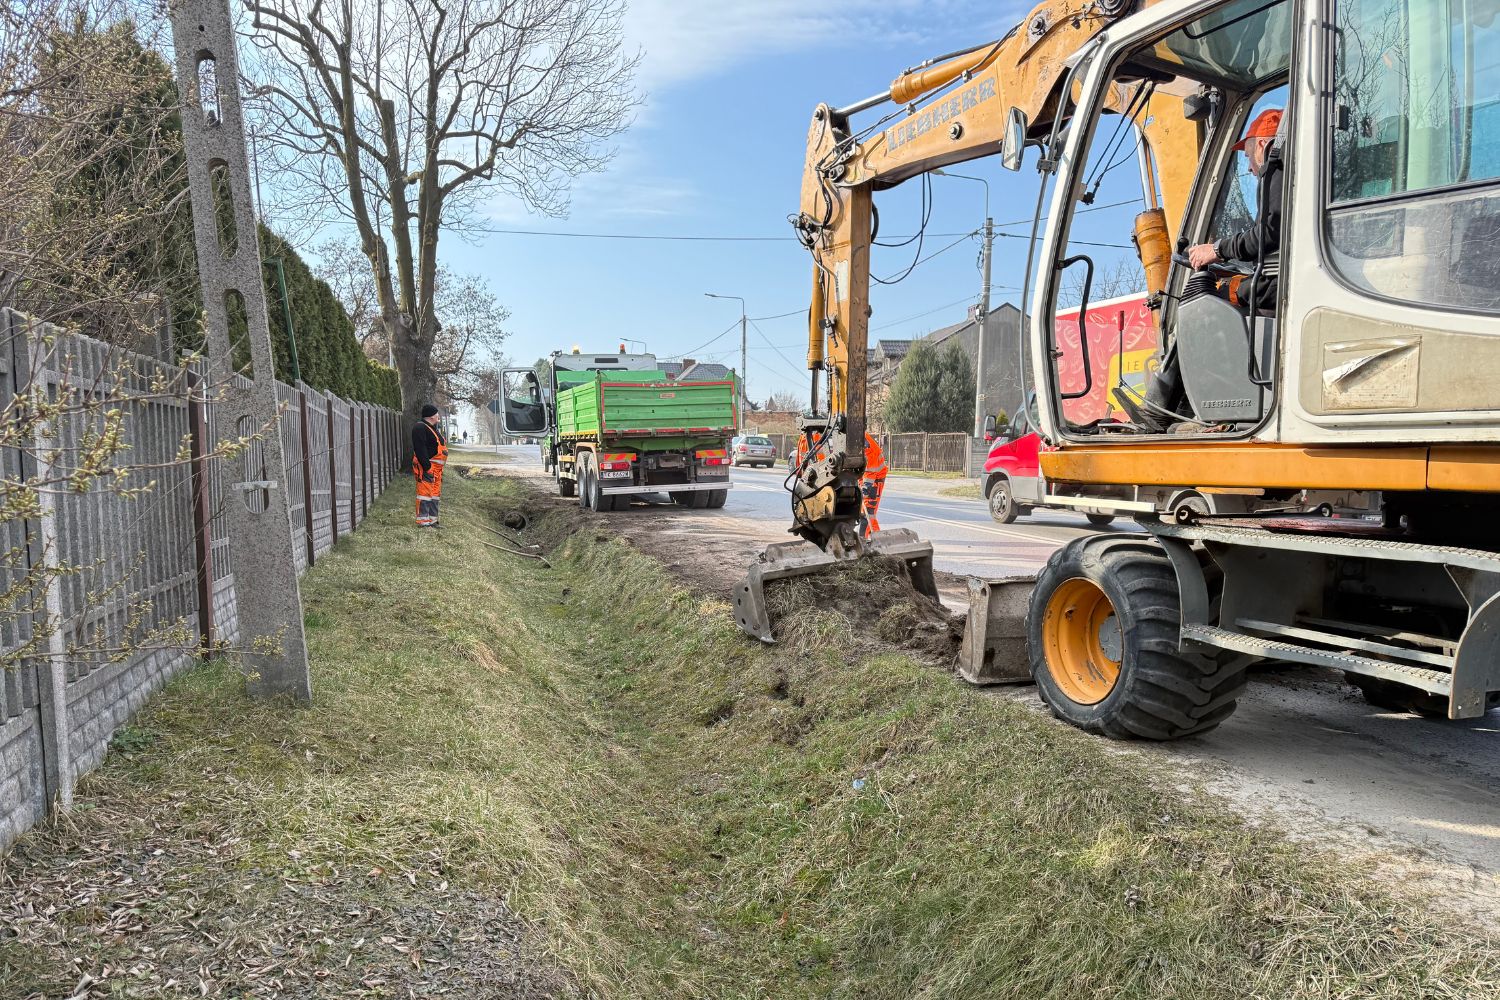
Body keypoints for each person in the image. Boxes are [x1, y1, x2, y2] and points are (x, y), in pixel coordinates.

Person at [1124, 107, 1284, 432]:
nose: (1250, 168)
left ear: (1264, 146)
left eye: (1249, 154)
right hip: (1279, 280)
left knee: (1204, 312)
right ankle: (1179, 405)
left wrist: (1217, 249)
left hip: (1280, 285)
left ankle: (1162, 408)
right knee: (1224, 293)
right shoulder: (1291, 175)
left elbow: (1268, 234)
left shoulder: (1277, 170)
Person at [412, 404, 447, 527]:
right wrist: (427, 467)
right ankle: (423, 522)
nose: (439, 416)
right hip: (427, 468)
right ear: (432, 416)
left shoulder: (432, 428)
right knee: (425, 494)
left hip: (437, 471)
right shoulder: (420, 428)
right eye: (437, 413)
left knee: (434, 496)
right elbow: (420, 449)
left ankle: (432, 521)